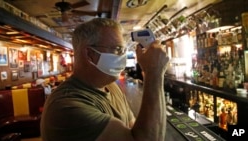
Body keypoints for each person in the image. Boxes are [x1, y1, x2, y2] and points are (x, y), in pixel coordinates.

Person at [40, 18, 169, 141]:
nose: (122, 56)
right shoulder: (66, 108)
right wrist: (154, 72)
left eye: (124, 50)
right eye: (118, 49)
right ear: (90, 54)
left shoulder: (111, 86)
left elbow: (133, 130)